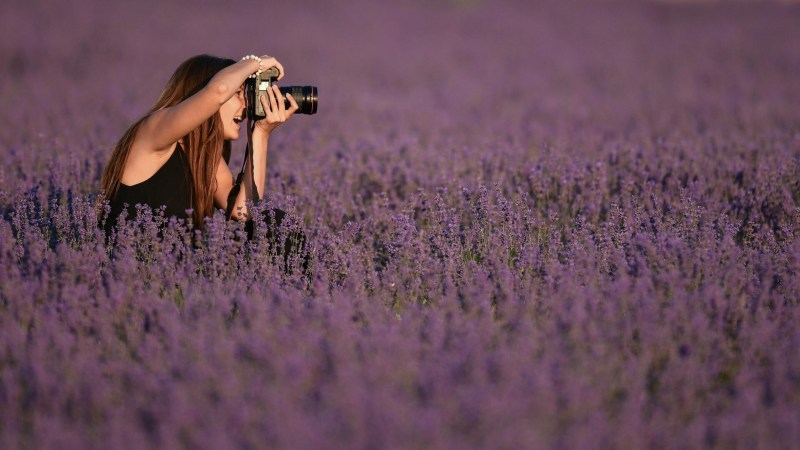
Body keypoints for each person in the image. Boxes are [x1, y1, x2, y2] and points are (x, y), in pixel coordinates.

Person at [100, 54, 307, 270]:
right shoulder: (152, 132)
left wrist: (261, 134)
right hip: (131, 275)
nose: (246, 104)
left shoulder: (204, 157)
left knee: (276, 223)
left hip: (178, 279)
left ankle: (303, 298)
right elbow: (217, 91)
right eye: (238, 93)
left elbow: (244, 212)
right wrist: (255, 63)